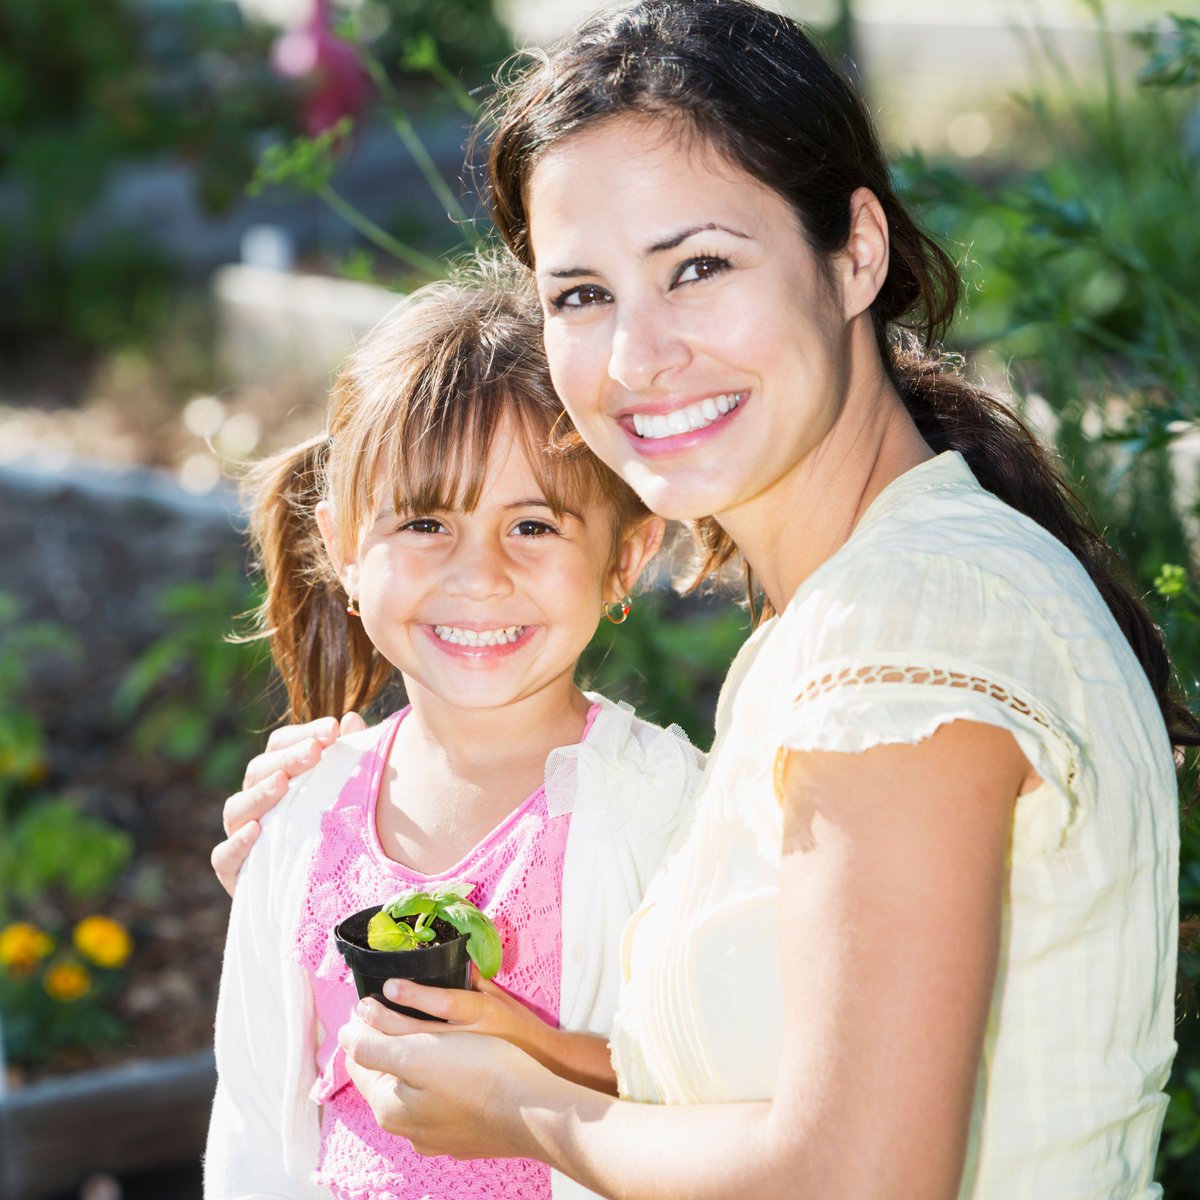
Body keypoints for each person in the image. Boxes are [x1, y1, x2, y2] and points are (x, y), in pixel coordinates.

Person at [215, 2, 1193, 1195]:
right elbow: (772, 1096)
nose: (638, 354)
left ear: (856, 254)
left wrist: (528, 1111)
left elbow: (859, 1176)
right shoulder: (867, 604)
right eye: (580, 293)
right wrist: (500, 1024)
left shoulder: (909, 632)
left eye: (699, 267)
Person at [203, 264, 705, 1200]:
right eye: (427, 521)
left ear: (624, 557)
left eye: (533, 525)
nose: (479, 576)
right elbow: (252, 1122)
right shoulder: (308, 814)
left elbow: (730, 1090)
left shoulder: (669, 809)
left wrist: (536, 1053)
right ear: (347, 547)